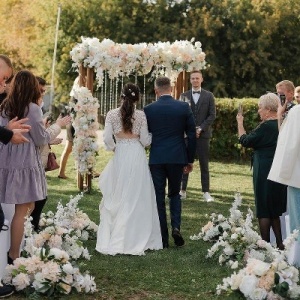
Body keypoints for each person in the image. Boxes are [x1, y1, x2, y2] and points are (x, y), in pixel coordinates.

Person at [95, 83, 162, 255]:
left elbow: (107, 139)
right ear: (137, 98)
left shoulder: (111, 114)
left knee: (120, 191)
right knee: (137, 193)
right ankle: (136, 234)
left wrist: (116, 148)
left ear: (121, 97)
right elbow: (146, 140)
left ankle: (117, 233)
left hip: (121, 153)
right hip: (137, 154)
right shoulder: (140, 115)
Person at [0, 70, 58, 264]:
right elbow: (41, 138)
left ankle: (15, 247)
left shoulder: (4, 106)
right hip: (24, 161)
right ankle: (14, 254)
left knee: (23, 208)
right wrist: (53, 128)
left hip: (6, 160)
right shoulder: (32, 108)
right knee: (22, 210)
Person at [144, 76, 196, 248]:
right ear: (171, 89)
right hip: (177, 157)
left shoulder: (149, 109)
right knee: (175, 194)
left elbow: (147, 135)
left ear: (156, 90)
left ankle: (163, 238)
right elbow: (192, 135)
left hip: (157, 157)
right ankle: (176, 227)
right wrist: (189, 159)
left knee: (158, 196)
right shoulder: (183, 107)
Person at [236, 93, 287, 249]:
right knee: (274, 209)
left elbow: (245, 140)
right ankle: (279, 243)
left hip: (264, 169)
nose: (258, 111)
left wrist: (240, 122)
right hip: (277, 169)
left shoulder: (266, 126)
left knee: (264, 209)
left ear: (268, 109)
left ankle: (265, 245)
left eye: (260, 108)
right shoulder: (281, 124)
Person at [30, 77, 71, 231]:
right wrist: (58, 126)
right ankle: (31, 229)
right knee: (37, 197)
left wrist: (48, 139)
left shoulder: (34, 108)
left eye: (43, 91)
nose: (42, 94)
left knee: (40, 196)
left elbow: (38, 136)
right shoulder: (32, 109)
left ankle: (33, 227)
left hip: (38, 156)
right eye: (40, 91)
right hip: (32, 159)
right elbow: (38, 138)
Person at [268, 103, 300, 266]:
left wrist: (284, 173)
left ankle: (297, 257)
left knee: (296, 217)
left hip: (297, 175)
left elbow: (290, 143)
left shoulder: (296, 112)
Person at [179, 70, 216, 201]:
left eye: (197, 78)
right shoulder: (183, 95)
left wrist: (200, 128)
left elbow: (212, 115)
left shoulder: (209, 95)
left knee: (204, 164)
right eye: (193, 78)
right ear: (190, 80)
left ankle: (206, 191)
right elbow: (181, 115)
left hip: (203, 135)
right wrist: (190, 130)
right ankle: (182, 190)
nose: (195, 80)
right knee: (185, 162)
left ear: (202, 79)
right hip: (187, 136)